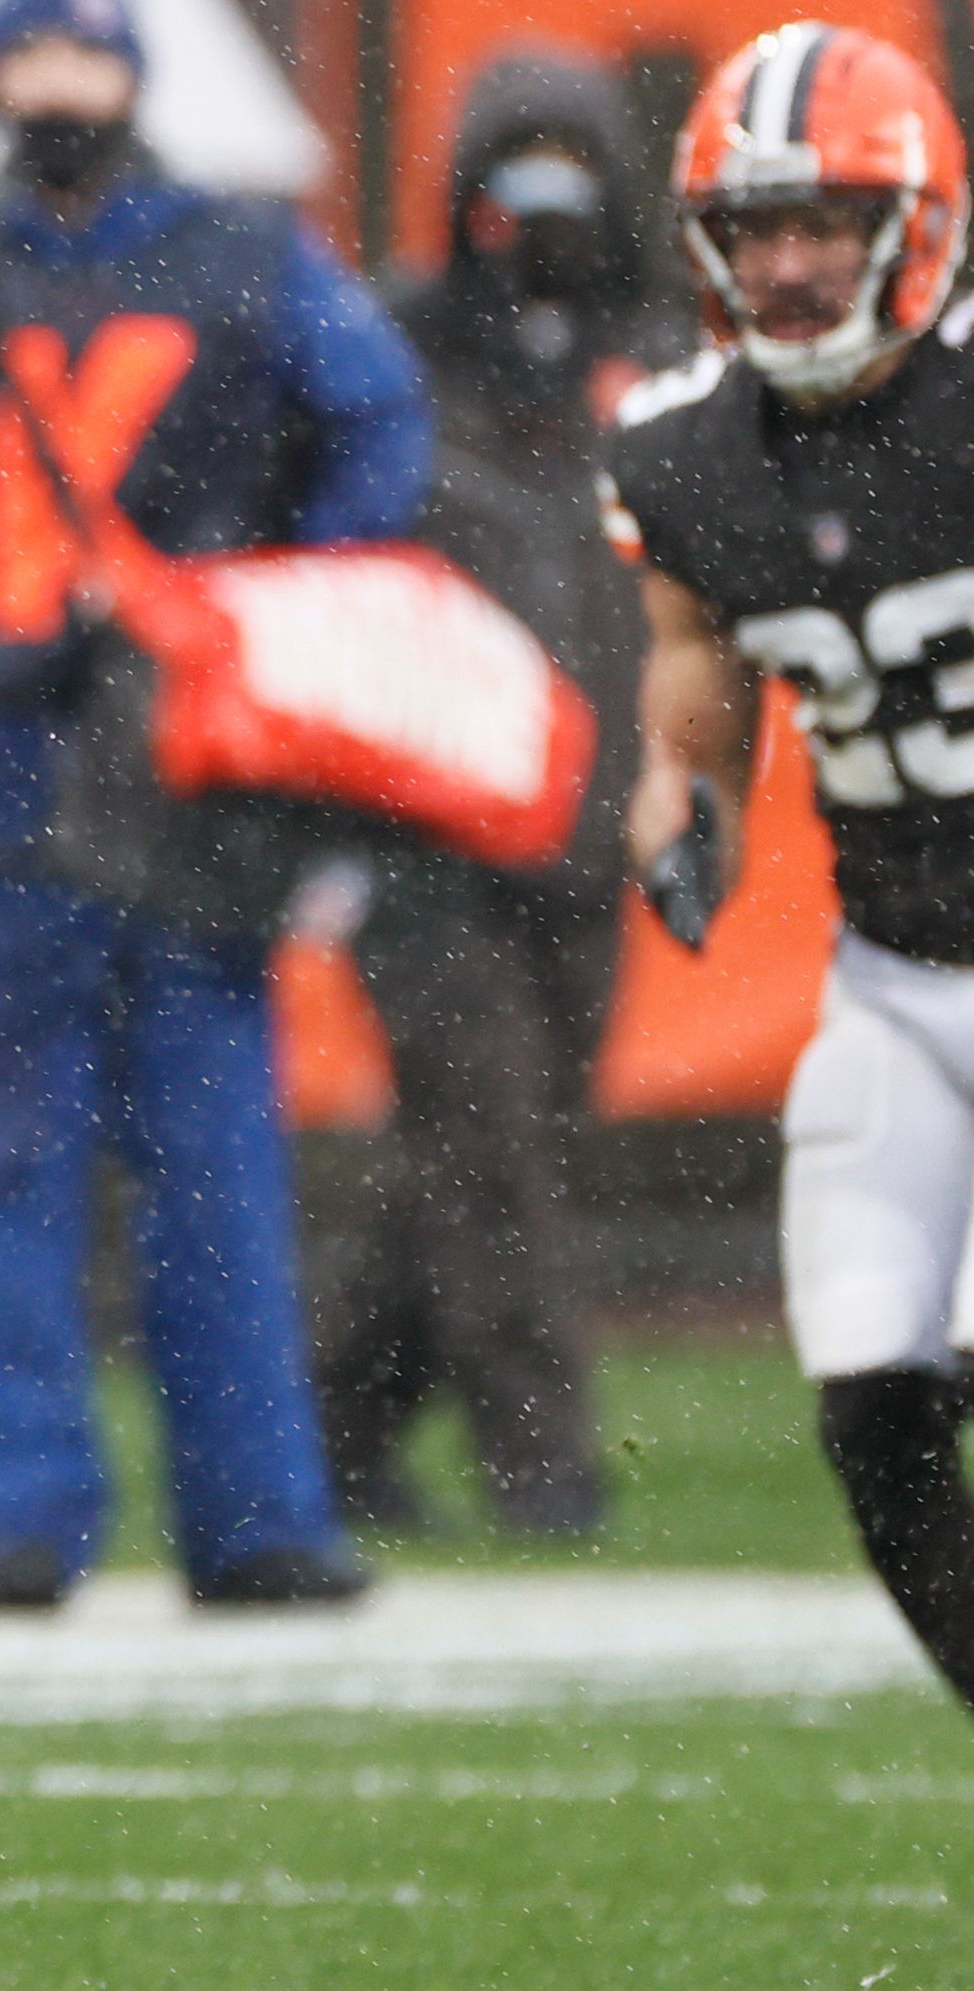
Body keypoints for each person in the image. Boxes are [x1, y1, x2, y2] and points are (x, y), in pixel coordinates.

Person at [0, 0, 423, 1612]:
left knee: (137, 1165)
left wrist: (276, 623)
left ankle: (134, 1516)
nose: (60, 89)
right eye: (35, 57)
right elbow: (383, 429)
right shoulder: (225, 261)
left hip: (93, 767)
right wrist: (282, 612)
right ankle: (120, 1517)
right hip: (59, 776)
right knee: (93, 1167)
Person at [613, 21, 974, 1714]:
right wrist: (679, 803)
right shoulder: (687, 452)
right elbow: (697, 674)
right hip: (901, 982)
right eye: (754, 228)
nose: (790, 262)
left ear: (917, 216)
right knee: (873, 1409)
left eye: (824, 220)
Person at [314, 51, 684, 1538]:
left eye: (567, 155)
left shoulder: (656, 366)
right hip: (427, 835)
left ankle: (338, 1420)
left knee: (496, 1152)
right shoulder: (391, 357)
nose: (543, 193)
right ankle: (548, 1469)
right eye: (516, 157)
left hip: (588, 830)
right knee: (491, 1154)